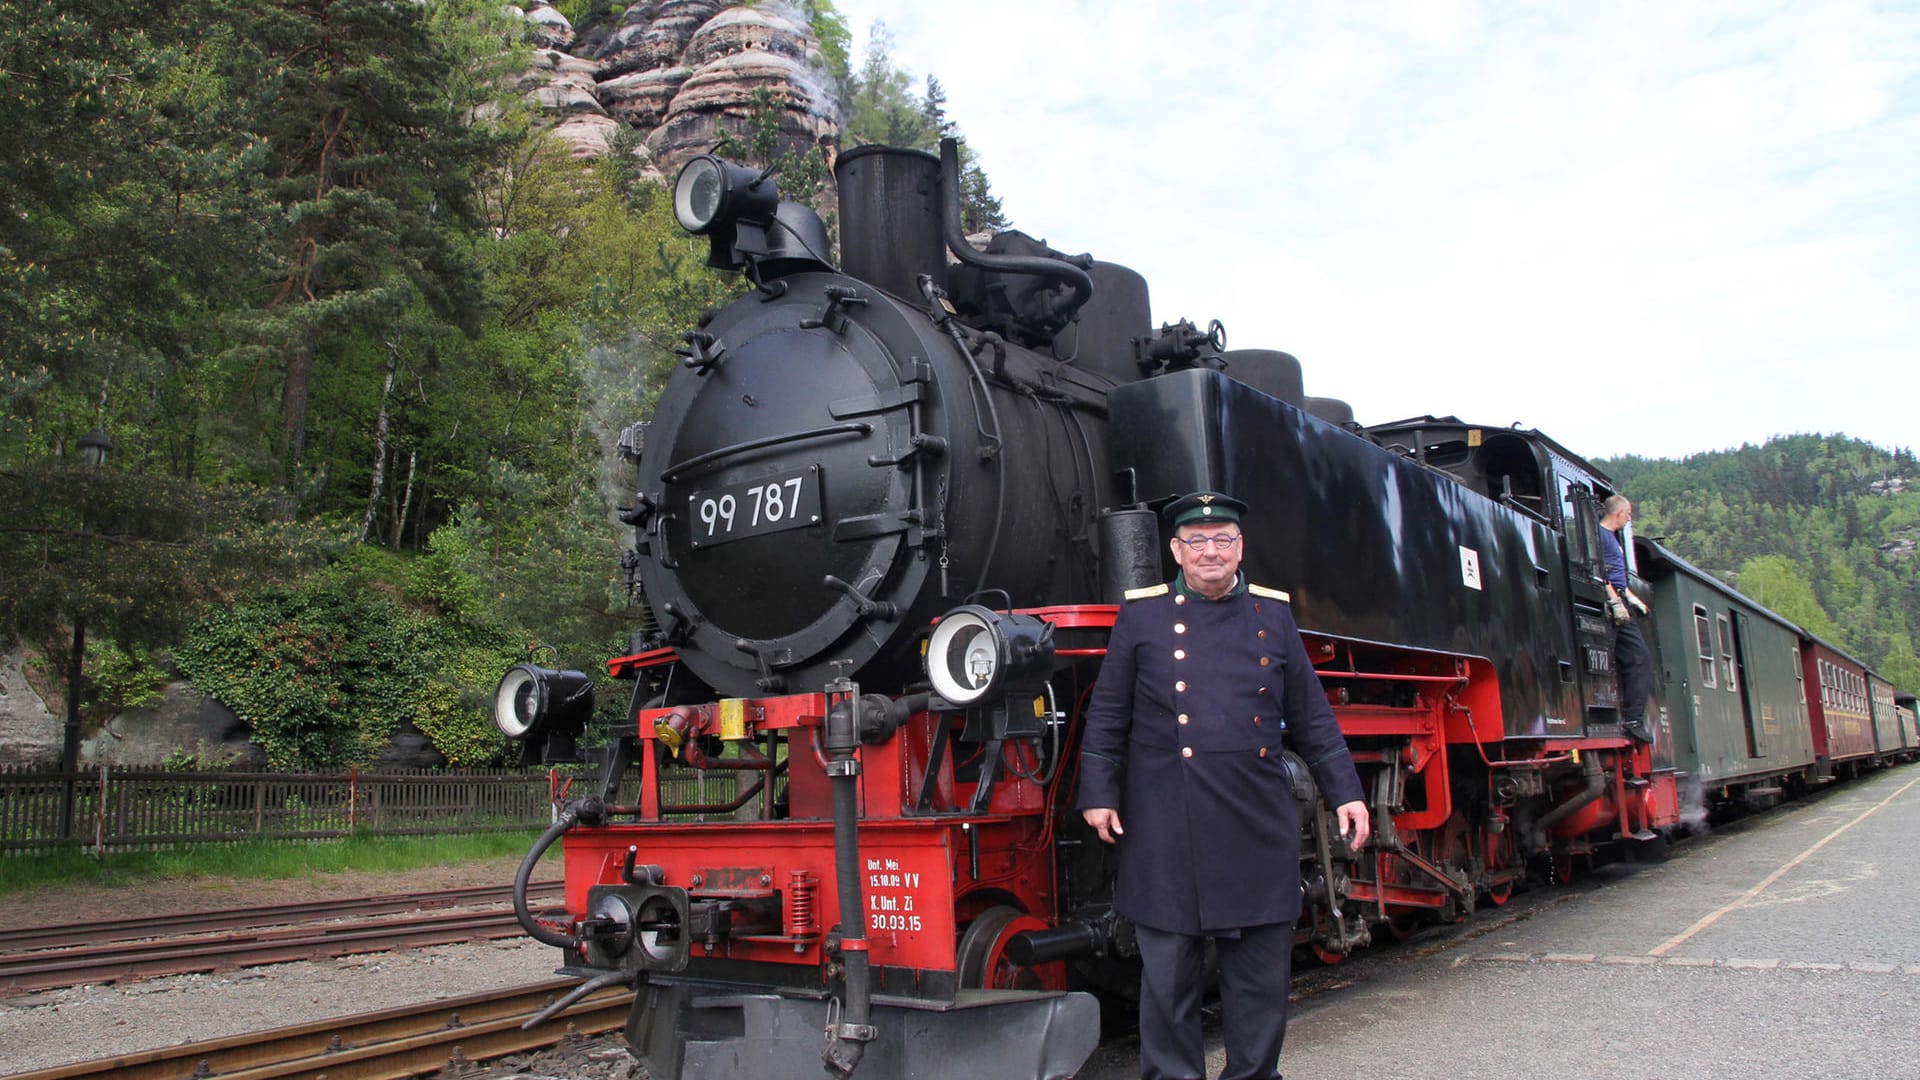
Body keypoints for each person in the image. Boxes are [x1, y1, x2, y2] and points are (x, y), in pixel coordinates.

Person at [1077, 490, 1370, 1080]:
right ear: (1176, 550)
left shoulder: (1272, 615)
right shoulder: (1143, 615)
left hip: (1254, 820)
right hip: (1166, 823)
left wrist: (1348, 792)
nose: (1210, 551)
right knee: (1168, 984)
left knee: (1260, 981)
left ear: (1240, 548)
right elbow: (1108, 714)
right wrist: (1099, 793)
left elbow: (1312, 718)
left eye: (1223, 540)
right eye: (1197, 541)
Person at [1598, 494, 1654, 744]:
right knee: (1611, 659)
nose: (1629, 518)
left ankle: (1633, 719)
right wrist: (1614, 601)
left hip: (1620, 599)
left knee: (1639, 656)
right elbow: (1600, 572)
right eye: (1628, 513)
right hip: (1610, 604)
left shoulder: (1613, 540)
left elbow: (1618, 577)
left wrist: (1632, 599)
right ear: (1618, 513)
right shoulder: (1599, 537)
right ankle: (1623, 717)